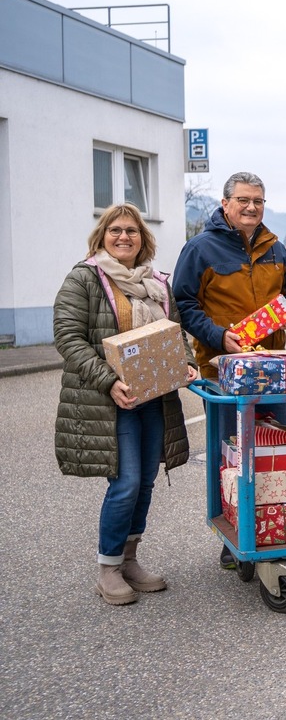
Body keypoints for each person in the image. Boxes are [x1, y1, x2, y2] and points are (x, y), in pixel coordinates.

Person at [53, 204, 199, 605]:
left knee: (147, 481)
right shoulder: (83, 278)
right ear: (102, 236)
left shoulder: (156, 282)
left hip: (155, 397)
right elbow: (68, 338)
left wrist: (185, 362)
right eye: (115, 230)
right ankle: (109, 569)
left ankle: (129, 559)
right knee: (126, 483)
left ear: (143, 238)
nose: (124, 237)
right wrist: (108, 381)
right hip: (110, 399)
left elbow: (176, 332)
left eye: (131, 231)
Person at [173, 171, 286, 569]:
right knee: (231, 453)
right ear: (226, 204)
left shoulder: (275, 248)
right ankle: (234, 540)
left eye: (258, 201)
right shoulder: (200, 248)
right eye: (243, 200)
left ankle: (273, 528)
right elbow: (183, 302)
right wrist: (218, 335)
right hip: (222, 368)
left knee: (273, 449)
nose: (251, 207)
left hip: (271, 370)